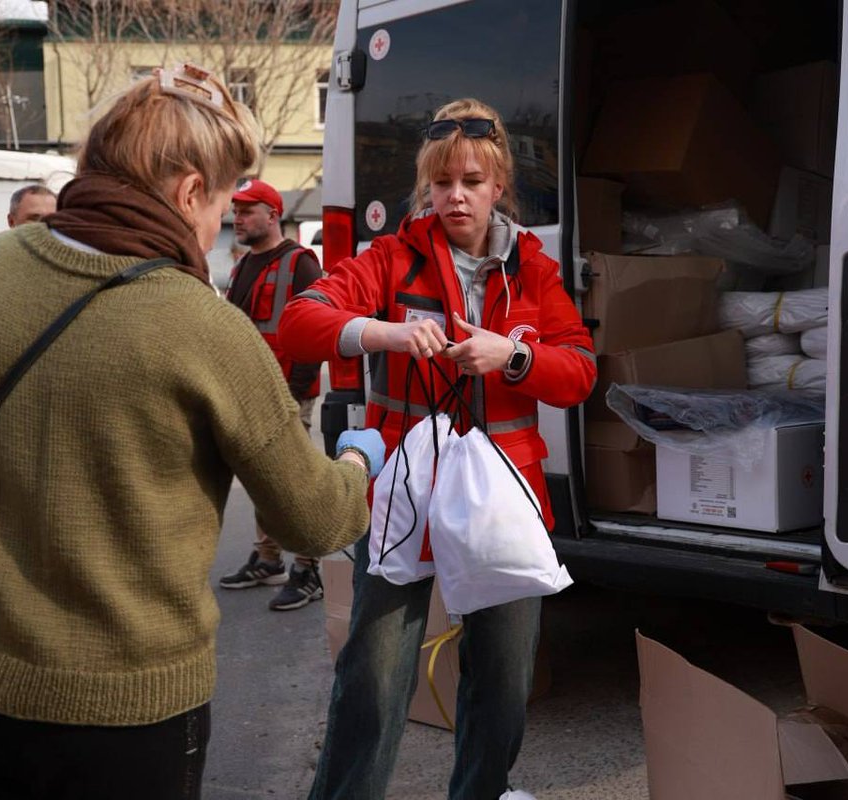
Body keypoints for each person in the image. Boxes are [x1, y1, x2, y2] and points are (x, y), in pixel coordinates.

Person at [0, 63, 382, 800]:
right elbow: (317, 518)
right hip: (121, 715)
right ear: (189, 191)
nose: (224, 217)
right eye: (228, 193)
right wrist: (360, 459)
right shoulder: (205, 326)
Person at [280, 98, 597, 800]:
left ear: (499, 185)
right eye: (443, 182)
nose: (457, 195)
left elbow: (579, 372)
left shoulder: (534, 272)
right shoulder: (390, 260)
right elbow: (300, 322)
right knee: (372, 681)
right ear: (425, 188)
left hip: (503, 501)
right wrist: (380, 332)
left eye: (473, 181)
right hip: (404, 496)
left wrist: (512, 356)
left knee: (504, 688)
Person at [218, 177, 326, 611]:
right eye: (236, 211)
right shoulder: (244, 265)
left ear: (273, 215)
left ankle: (308, 568)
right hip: (251, 393)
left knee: (294, 484)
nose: (237, 219)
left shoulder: (301, 263)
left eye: (246, 211)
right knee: (263, 480)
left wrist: (295, 392)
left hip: (287, 394)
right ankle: (268, 559)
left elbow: (316, 332)